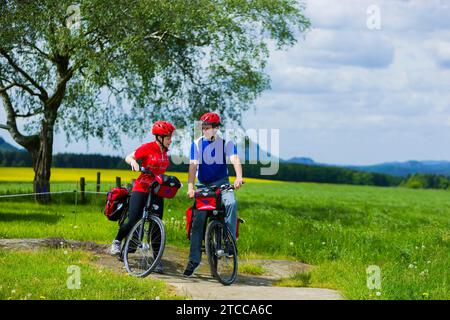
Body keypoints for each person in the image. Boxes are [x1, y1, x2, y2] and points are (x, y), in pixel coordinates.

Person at [109, 120, 175, 274]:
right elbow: (129, 157)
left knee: (156, 227)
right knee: (134, 219)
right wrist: (134, 163)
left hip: (157, 190)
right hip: (142, 188)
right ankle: (117, 241)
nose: (171, 140)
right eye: (168, 137)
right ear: (159, 137)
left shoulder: (164, 152)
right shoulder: (148, 147)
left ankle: (156, 259)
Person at [183, 112, 244, 277]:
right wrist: (190, 187)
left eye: (208, 128)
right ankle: (193, 260)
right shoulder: (196, 143)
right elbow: (193, 166)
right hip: (202, 185)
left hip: (222, 182)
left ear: (216, 128)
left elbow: (235, 159)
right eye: (203, 127)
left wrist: (238, 177)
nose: (205, 130)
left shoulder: (226, 142)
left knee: (231, 203)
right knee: (199, 220)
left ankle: (229, 241)